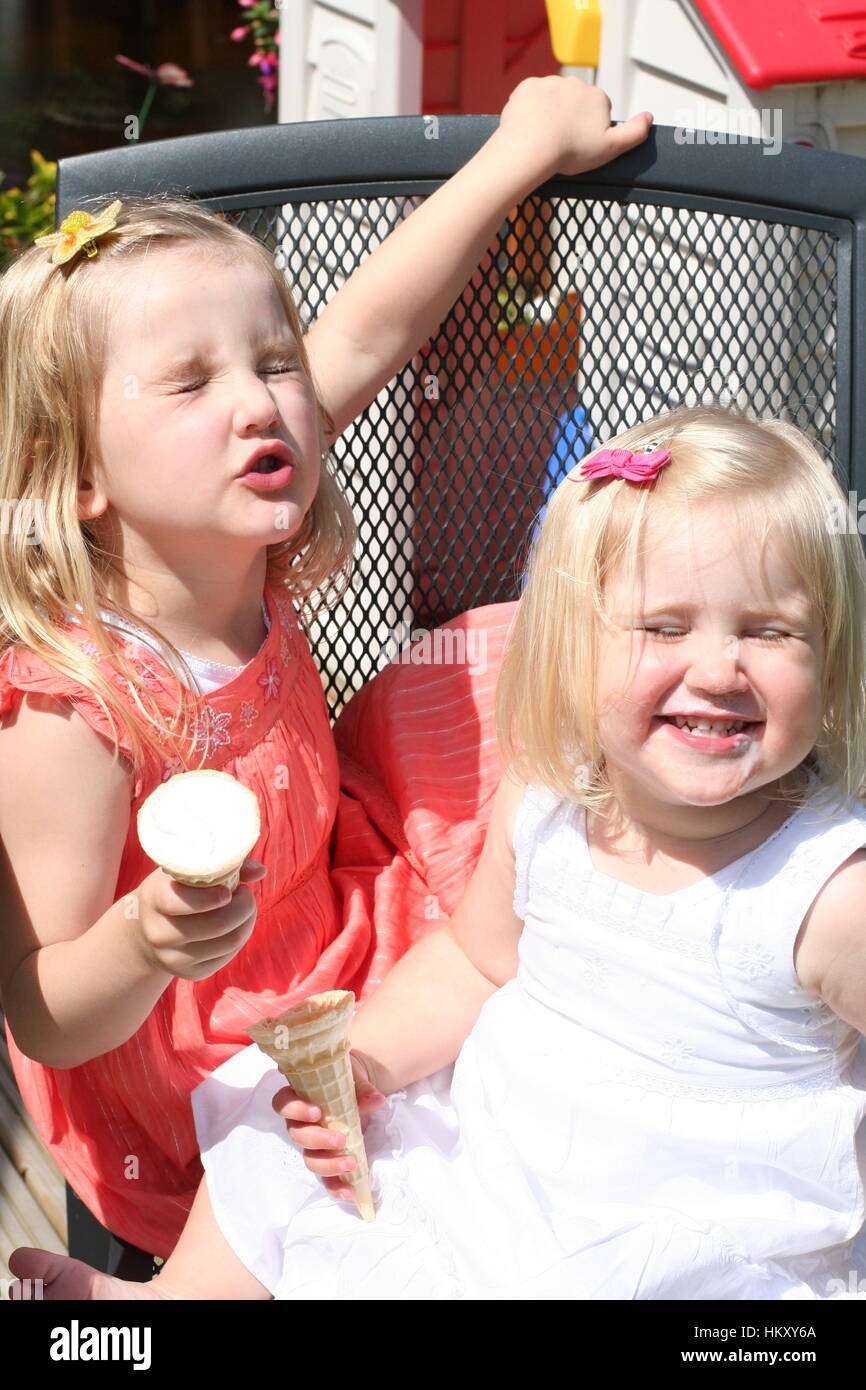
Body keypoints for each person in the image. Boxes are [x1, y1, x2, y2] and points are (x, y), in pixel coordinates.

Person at [0, 78, 654, 1261]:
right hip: (198, 1056)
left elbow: (367, 329)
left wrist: (517, 154)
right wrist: (147, 939)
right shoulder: (69, 711)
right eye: (192, 383)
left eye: (272, 363)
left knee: (524, 655)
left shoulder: (239, 536)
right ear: (79, 474)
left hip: (333, 918)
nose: (261, 399)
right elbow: (41, 1011)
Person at [13, 402, 866, 1300]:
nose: (722, 668)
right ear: (573, 652)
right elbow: (472, 959)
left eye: (771, 631)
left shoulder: (825, 892)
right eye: (665, 627)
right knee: (269, 1135)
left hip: (684, 1249)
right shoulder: (549, 805)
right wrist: (365, 1063)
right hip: (498, 1166)